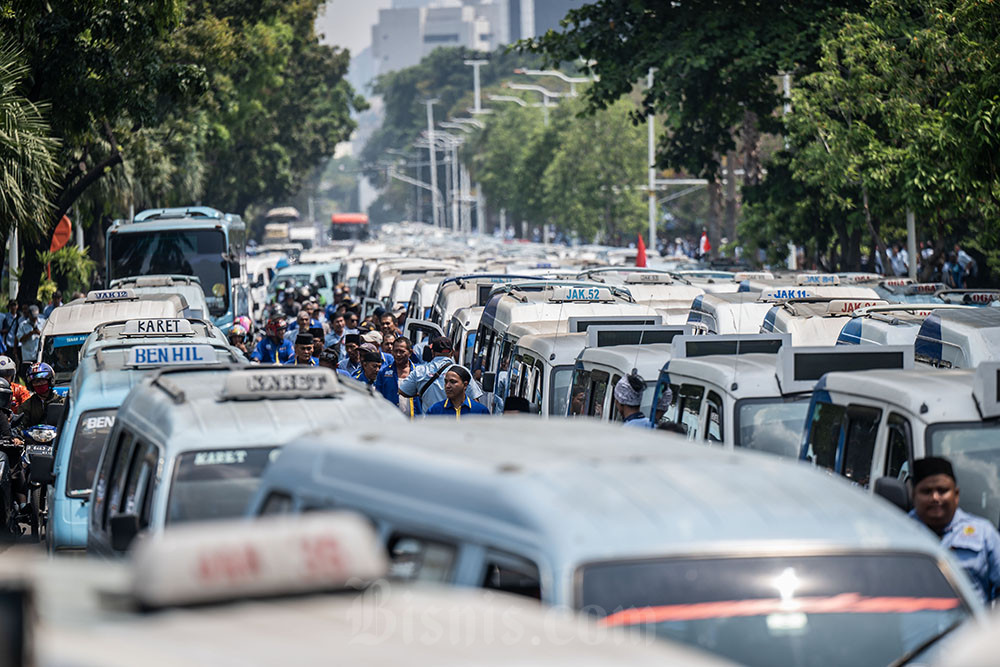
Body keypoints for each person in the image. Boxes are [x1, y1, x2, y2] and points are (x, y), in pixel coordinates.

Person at [909, 457, 1000, 603]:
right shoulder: (898, 533)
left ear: (956, 495)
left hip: (971, 625)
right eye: (926, 492)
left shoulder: (984, 533)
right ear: (913, 495)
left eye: (942, 491)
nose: (935, 498)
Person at [398, 337, 483, 415]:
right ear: (452, 352)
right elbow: (475, 400)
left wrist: (421, 391)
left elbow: (403, 391)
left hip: (430, 425)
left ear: (432, 352)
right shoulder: (461, 371)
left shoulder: (420, 371)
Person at [374, 337, 419, 415]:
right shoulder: (383, 373)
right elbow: (378, 399)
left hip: (416, 421)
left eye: (402, 352)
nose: (398, 354)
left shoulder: (419, 372)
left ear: (410, 352)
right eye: (395, 351)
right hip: (391, 422)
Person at [17, 363, 64, 428]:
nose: (39, 384)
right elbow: (20, 425)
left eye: (42, 380)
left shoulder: (61, 402)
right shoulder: (26, 405)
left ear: (50, 380)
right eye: (35, 382)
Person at [16, 305, 45, 380]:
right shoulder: (23, 325)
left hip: (39, 356)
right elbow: (20, 339)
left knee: (40, 377)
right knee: (29, 378)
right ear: (29, 314)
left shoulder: (42, 322)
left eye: (36, 316)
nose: (35, 318)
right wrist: (31, 333)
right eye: (33, 316)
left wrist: (40, 333)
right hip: (28, 357)